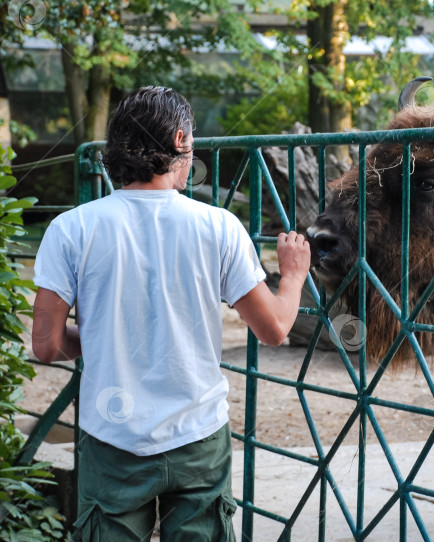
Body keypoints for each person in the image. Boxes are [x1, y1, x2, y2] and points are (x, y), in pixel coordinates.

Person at [31, 86, 311, 541]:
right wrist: (294, 274)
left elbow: (45, 345)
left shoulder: (70, 229)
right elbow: (276, 328)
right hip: (198, 437)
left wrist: (104, 339)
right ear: (180, 140)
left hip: (111, 439)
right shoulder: (219, 226)